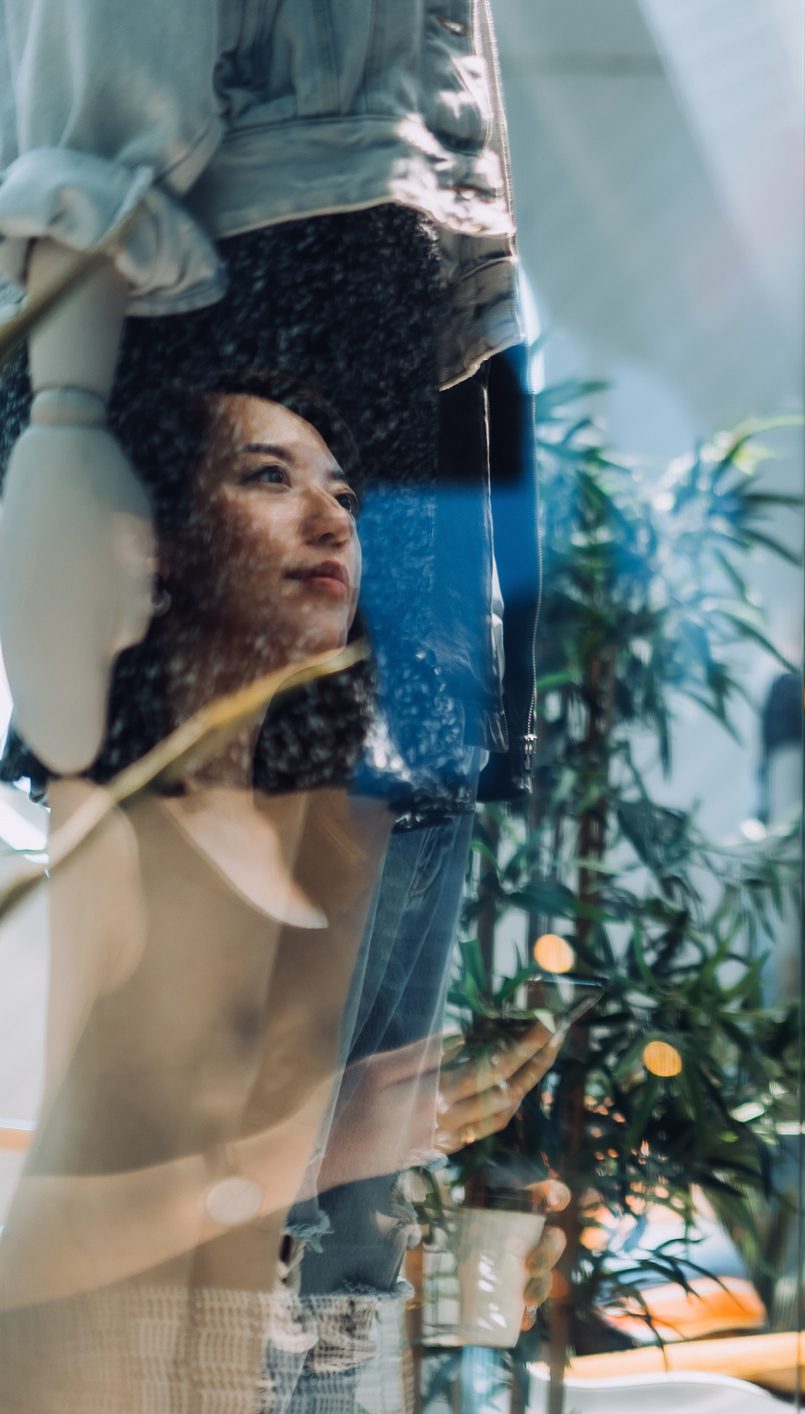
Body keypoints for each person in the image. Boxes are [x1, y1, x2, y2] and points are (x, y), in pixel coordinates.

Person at [0, 376, 558, 1413]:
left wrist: (434, 1259)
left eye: (348, 495)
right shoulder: (97, 854)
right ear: (153, 543)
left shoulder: (362, 832)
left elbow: (325, 1302)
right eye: (269, 477)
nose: (335, 520)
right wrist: (321, 1146)